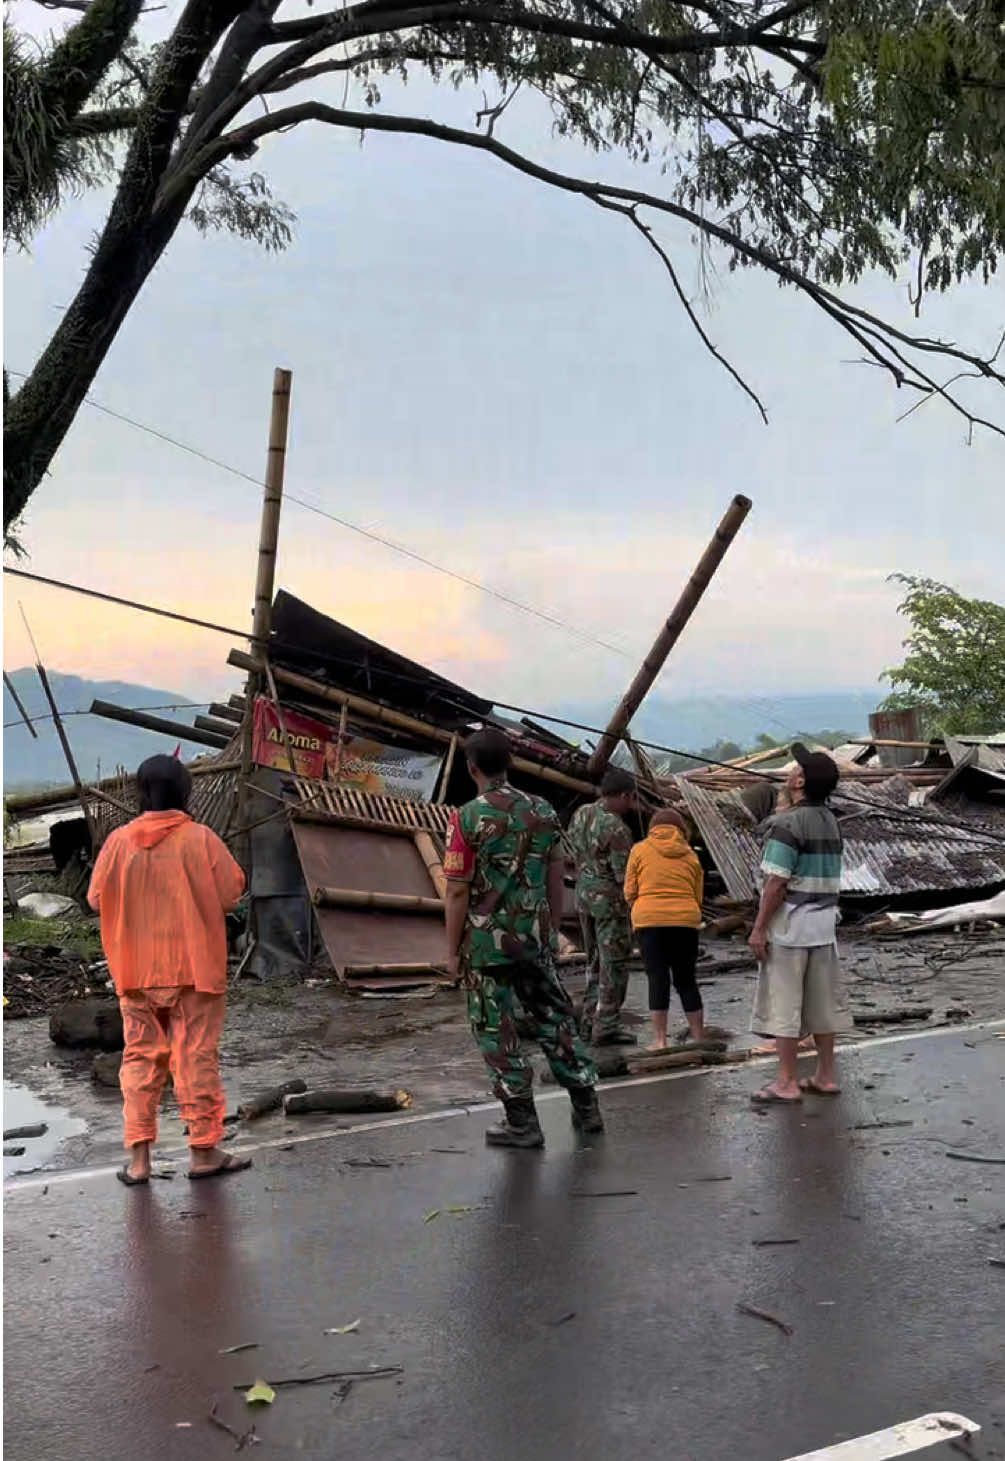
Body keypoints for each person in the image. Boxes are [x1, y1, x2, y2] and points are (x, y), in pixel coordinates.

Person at [88, 755, 250, 1184]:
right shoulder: (201, 839)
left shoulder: (118, 843)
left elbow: (95, 899)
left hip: (135, 971)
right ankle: (203, 1154)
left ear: (140, 792)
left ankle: (139, 1164)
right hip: (194, 969)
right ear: (186, 792)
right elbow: (233, 892)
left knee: (139, 1060)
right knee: (195, 1058)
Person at [443, 728, 602, 1148]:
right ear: (509, 761)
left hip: (485, 945)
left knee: (496, 1029)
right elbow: (555, 873)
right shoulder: (543, 810)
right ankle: (588, 1109)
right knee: (555, 1019)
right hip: (533, 939)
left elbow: (457, 889)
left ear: (471, 767)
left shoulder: (466, 817)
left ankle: (522, 1123)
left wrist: (450, 950)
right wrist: (548, 928)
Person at [748, 744, 852, 1105]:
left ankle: (787, 1082)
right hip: (824, 928)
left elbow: (776, 883)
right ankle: (824, 1076)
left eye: (798, 769)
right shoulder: (831, 822)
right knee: (823, 1006)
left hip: (791, 929)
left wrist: (759, 927)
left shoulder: (786, 825)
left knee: (785, 1007)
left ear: (801, 781)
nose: (792, 772)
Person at [624, 809, 705, 1050]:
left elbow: (629, 891)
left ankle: (660, 1040)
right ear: (681, 829)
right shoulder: (690, 855)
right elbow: (697, 895)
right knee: (686, 979)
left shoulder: (639, 850)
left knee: (657, 977)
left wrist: (643, 906)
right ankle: (699, 1037)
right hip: (685, 921)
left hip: (649, 920)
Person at [567, 767, 638, 1046]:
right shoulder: (617, 828)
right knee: (615, 964)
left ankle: (587, 1021)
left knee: (594, 962)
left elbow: (574, 851)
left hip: (584, 898)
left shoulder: (582, 813)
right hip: (609, 903)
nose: (632, 805)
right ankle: (606, 1025)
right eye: (630, 799)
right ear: (622, 795)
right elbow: (625, 877)